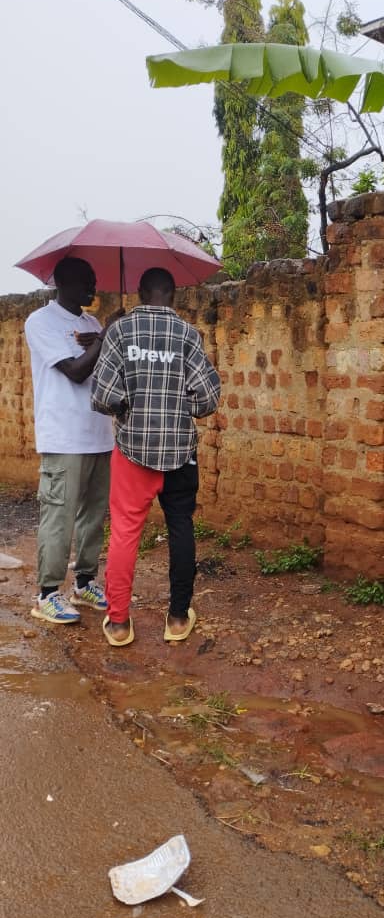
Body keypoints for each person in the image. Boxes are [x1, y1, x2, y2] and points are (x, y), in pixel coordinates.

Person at [91, 267, 220, 646]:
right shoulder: (187, 334)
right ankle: (178, 619)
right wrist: (179, 407)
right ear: (173, 296)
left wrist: (129, 408)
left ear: (141, 293)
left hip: (133, 452)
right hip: (180, 452)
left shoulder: (119, 332)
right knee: (181, 528)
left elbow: (102, 396)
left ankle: (118, 624)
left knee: (125, 534)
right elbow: (208, 398)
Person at [24, 256, 120, 624]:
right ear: (63, 282)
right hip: (63, 437)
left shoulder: (90, 323)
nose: (94, 289)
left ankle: (84, 583)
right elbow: (76, 372)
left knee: (93, 517)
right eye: (87, 281)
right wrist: (105, 338)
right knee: (58, 518)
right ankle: (47, 594)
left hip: (98, 433)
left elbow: (103, 370)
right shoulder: (41, 322)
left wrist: (106, 339)